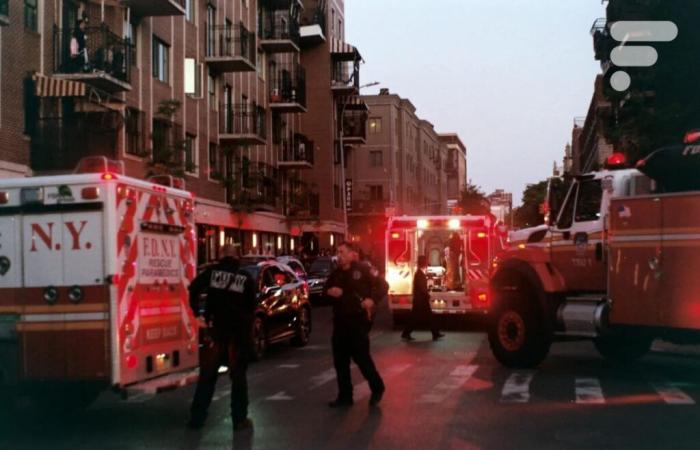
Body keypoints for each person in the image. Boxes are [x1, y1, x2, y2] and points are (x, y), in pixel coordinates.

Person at [187, 244, 256, 432]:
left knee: (208, 376)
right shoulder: (245, 278)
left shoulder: (212, 273)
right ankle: (239, 419)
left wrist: (198, 314)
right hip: (238, 333)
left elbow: (193, 288)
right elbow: (252, 306)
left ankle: (197, 418)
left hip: (216, 330)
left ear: (221, 256)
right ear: (236, 257)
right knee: (238, 377)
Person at [323, 242, 385, 408]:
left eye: (342, 252)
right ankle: (345, 396)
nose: (339, 255)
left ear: (352, 254)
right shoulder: (336, 274)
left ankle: (377, 387)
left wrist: (372, 300)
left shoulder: (363, 270)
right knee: (340, 361)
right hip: (340, 322)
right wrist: (329, 292)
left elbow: (382, 285)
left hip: (357, 322)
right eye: (338, 252)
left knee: (362, 359)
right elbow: (324, 291)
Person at [401, 255, 444, 341]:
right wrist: (427, 294)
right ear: (423, 263)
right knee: (417, 317)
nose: (427, 263)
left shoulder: (419, 273)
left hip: (420, 300)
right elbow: (422, 287)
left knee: (428, 316)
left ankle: (435, 333)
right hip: (420, 300)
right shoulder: (419, 274)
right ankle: (406, 333)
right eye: (426, 262)